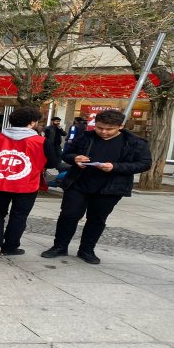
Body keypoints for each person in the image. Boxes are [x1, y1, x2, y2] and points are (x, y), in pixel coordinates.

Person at [41, 110, 152, 264]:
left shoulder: (134, 142)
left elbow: (144, 163)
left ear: (121, 126)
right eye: (100, 128)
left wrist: (115, 167)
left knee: (97, 219)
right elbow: (66, 153)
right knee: (68, 215)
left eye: (109, 129)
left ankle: (86, 250)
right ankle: (59, 246)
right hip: (79, 183)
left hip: (110, 187)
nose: (103, 132)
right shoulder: (86, 136)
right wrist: (75, 158)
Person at [0, 107, 59, 256]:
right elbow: (52, 162)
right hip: (27, 184)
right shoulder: (41, 141)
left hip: (1, 182)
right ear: (32, 123)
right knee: (19, 215)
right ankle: (10, 247)